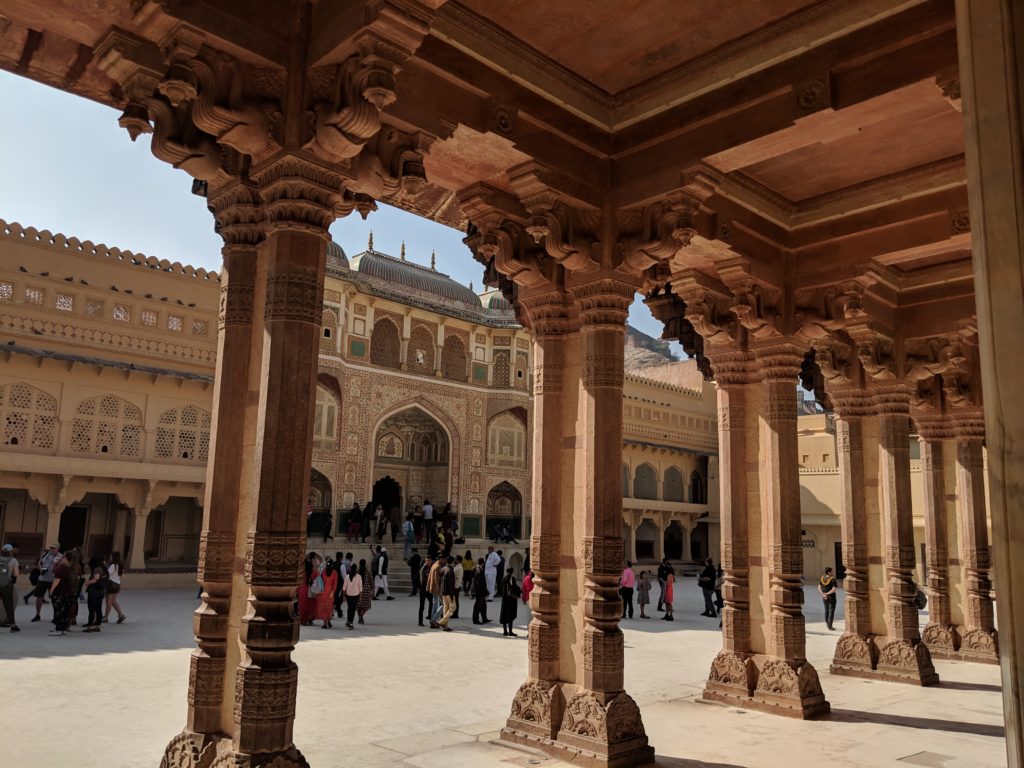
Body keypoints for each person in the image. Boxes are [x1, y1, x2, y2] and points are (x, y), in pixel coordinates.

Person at [48, 549, 78, 636]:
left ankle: (58, 629)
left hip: (60, 592)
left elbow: (56, 581)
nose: (62, 557)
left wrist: (51, 591)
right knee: (65, 611)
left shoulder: (62, 568)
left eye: (64, 556)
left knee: (58, 611)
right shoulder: (74, 568)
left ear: (67, 558)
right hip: (70, 593)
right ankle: (63, 628)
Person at [28, 541, 61, 622]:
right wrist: (41, 569)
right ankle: (37, 614)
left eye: (54, 548)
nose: (52, 549)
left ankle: (55, 616)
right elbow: (40, 563)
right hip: (42, 578)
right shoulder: (45, 554)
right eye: (51, 547)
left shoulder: (60, 556)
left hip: (53, 580)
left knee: (54, 598)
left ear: (58, 549)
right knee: (39, 597)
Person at [82, 556, 108, 632]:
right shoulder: (104, 568)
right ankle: (97, 625)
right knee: (98, 608)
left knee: (92, 609)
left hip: (94, 591)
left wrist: (87, 583)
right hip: (101, 591)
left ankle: (90, 626)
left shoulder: (97, 569)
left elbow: (96, 579)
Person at [0, 543, 21, 631]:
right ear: (11, 551)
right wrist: (13, 579)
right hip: (6, 585)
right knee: (8, 606)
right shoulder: (13, 560)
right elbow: (16, 573)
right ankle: (13, 626)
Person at [104, 551, 126, 624]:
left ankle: (106, 617)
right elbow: (122, 575)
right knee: (113, 601)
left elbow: (107, 574)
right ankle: (120, 615)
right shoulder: (120, 565)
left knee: (108, 602)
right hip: (117, 584)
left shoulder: (113, 565)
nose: (110, 557)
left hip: (111, 584)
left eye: (111, 556)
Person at [315, 559, 338, 628]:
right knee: (329, 607)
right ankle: (329, 621)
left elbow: (320, 581)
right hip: (330, 592)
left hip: (323, 592)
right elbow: (335, 583)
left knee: (323, 607)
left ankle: (325, 623)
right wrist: (333, 592)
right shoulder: (334, 572)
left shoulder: (323, 571)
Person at [500, 568, 522, 636]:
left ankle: (505, 631)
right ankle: (510, 631)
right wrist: (521, 591)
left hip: (504, 600)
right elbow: (514, 588)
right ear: (512, 571)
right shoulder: (512, 578)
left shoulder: (503, 579)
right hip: (511, 600)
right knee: (510, 615)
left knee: (504, 614)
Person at [438, 556, 458, 632]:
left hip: (443, 591)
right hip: (449, 592)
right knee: (453, 607)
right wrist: (452, 595)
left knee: (445, 609)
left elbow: (439, 579)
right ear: (452, 562)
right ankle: (442, 621)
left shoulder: (443, 568)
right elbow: (451, 584)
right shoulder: (450, 570)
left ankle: (445, 626)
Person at [341, 561, 362, 630]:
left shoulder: (347, 577)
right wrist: (360, 596)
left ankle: (348, 621)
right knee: (353, 609)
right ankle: (351, 623)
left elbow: (344, 587)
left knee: (349, 608)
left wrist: (344, 596)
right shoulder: (359, 576)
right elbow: (360, 587)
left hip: (348, 595)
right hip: (355, 595)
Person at [426, 554, 444, 628]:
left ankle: (433, 621)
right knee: (444, 605)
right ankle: (433, 619)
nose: (444, 561)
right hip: (436, 589)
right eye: (443, 559)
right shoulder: (437, 567)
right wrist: (439, 591)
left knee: (434, 604)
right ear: (441, 559)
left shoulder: (434, 565)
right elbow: (437, 580)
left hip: (432, 588)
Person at [416, 555, 434, 626]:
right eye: (427, 561)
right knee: (422, 606)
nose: (428, 562)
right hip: (424, 590)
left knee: (431, 603)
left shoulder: (429, 567)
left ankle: (429, 616)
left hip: (426, 589)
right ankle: (421, 621)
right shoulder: (424, 569)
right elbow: (424, 580)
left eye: (429, 561)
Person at [472, 558, 490, 625]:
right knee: (478, 605)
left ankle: (484, 618)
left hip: (480, 590)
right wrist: (484, 591)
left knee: (483, 605)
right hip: (480, 591)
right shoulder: (479, 570)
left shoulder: (478, 569)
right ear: (483, 563)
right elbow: (479, 582)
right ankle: (475, 620)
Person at [356, 558, 374, 624]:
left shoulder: (357, 571)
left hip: (358, 591)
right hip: (366, 591)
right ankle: (361, 615)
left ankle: (360, 617)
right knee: (366, 605)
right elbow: (372, 582)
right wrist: (373, 590)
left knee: (358, 606)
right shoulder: (368, 572)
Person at [452, 555, 463, 619]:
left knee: (455, 600)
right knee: (455, 600)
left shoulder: (457, 568)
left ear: (458, 560)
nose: (454, 560)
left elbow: (454, 577)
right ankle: (455, 613)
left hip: (456, 586)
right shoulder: (458, 567)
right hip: (457, 585)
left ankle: (455, 613)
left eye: (455, 559)